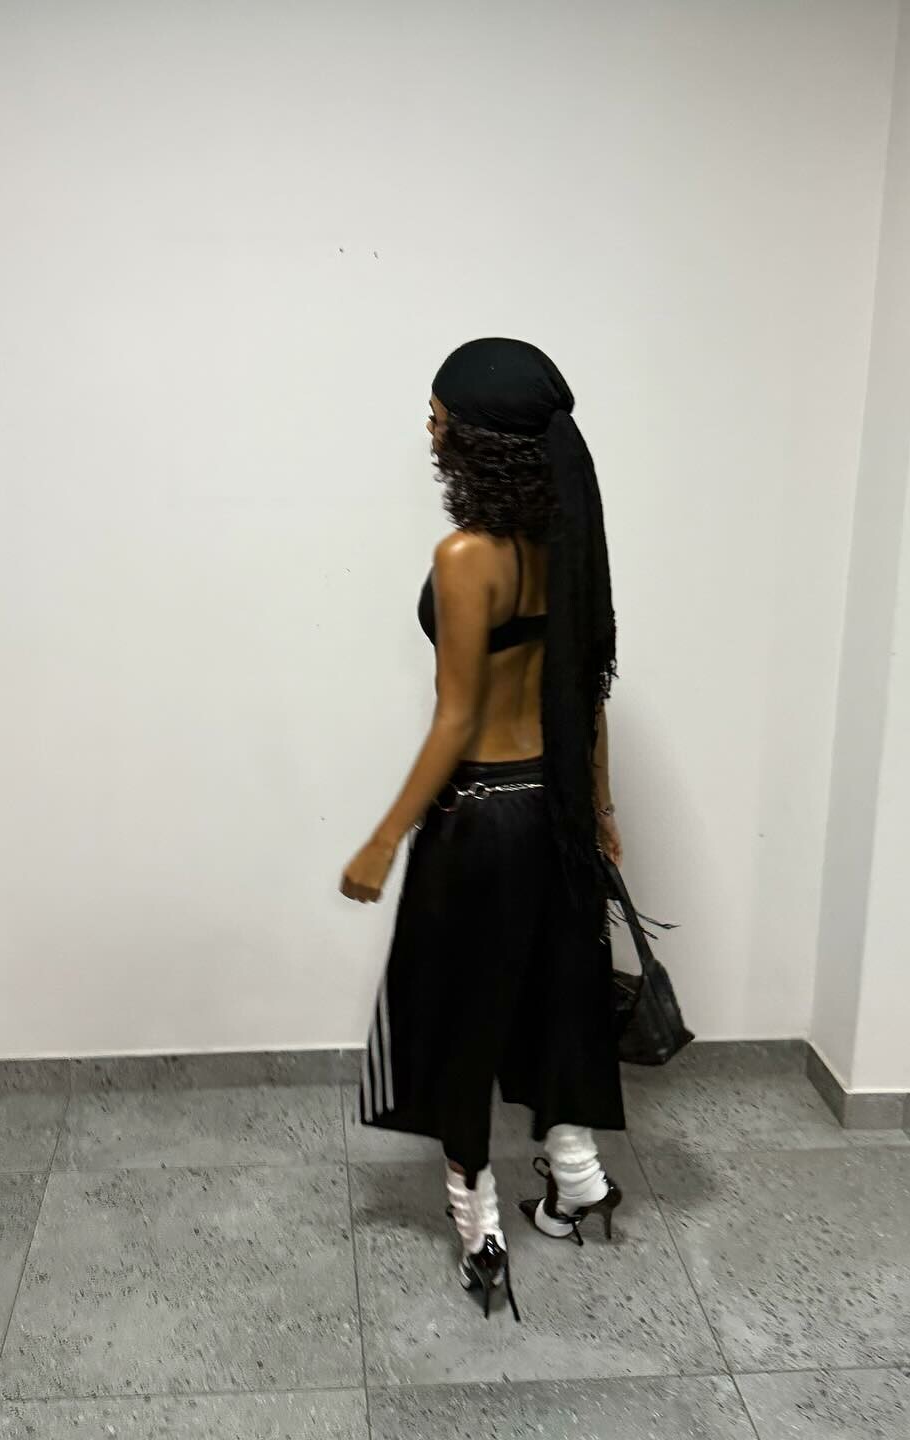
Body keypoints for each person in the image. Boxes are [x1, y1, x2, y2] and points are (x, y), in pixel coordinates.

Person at [340, 337, 626, 1322]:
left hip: (484, 816)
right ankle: (577, 1178)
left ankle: (480, 1229)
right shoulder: (568, 545)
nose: (430, 431)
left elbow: (457, 719)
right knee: (551, 993)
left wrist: (385, 837)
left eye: (439, 417)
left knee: (455, 1018)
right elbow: (587, 695)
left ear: (476, 439)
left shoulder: (467, 557)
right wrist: (602, 814)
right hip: (556, 811)